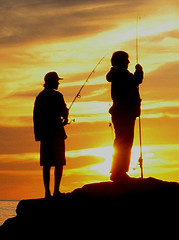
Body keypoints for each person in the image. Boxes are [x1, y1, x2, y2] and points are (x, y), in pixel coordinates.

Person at [106, 51, 143, 181]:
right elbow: (135, 81)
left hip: (123, 112)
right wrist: (139, 71)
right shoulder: (121, 74)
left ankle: (118, 171)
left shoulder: (118, 74)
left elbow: (134, 82)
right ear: (121, 62)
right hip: (124, 113)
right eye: (126, 60)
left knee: (123, 142)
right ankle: (118, 172)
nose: (128, 62)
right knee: (124, 142)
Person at [33, 72, 69, 198]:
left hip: (44, 135)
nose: (58, 83)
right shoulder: (58, 95)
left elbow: (36, 117)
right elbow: (63, 112)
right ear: (52, 82)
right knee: (59, 163)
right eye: (57, 81)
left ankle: (47, 193)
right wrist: (66, 115)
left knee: (46, 164)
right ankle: (56, 191)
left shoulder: (40, 96)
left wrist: (39, 135)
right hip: (57, 134)